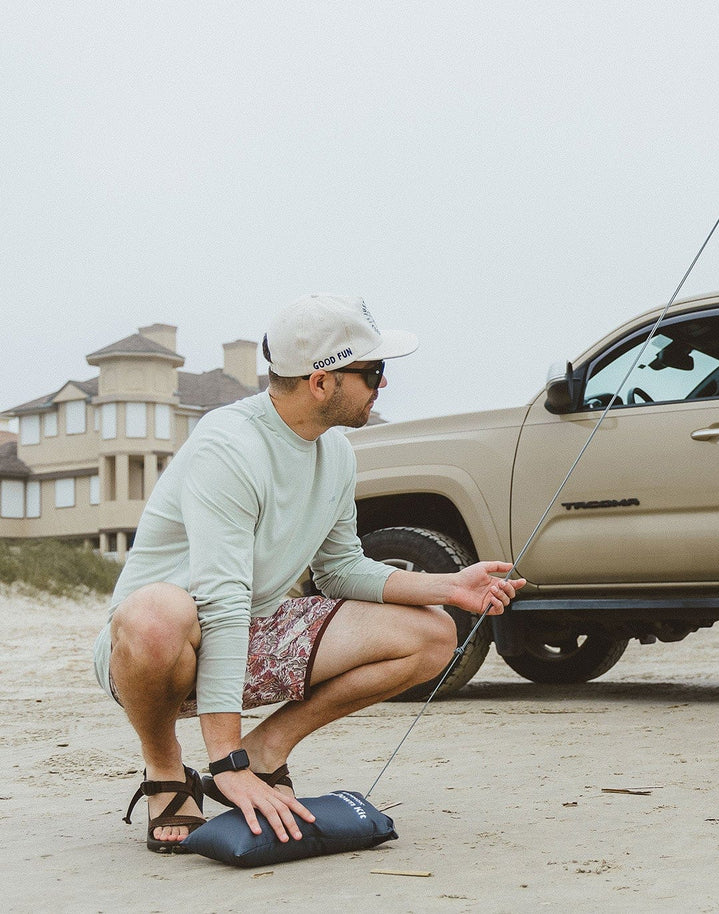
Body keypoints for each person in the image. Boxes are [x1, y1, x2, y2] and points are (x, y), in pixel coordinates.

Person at [92, 293, 525, 853]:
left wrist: (447, 586)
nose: (382, 385)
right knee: (158, 612)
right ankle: (166, 770)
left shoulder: (336, 452)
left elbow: (341, 570)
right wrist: (226, 761)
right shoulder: (228, 446)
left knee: (434, 632)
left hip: (251, 630)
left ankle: (269, 749)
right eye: (372, 372)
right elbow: (220, 601)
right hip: (155, 651)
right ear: (321, 382)